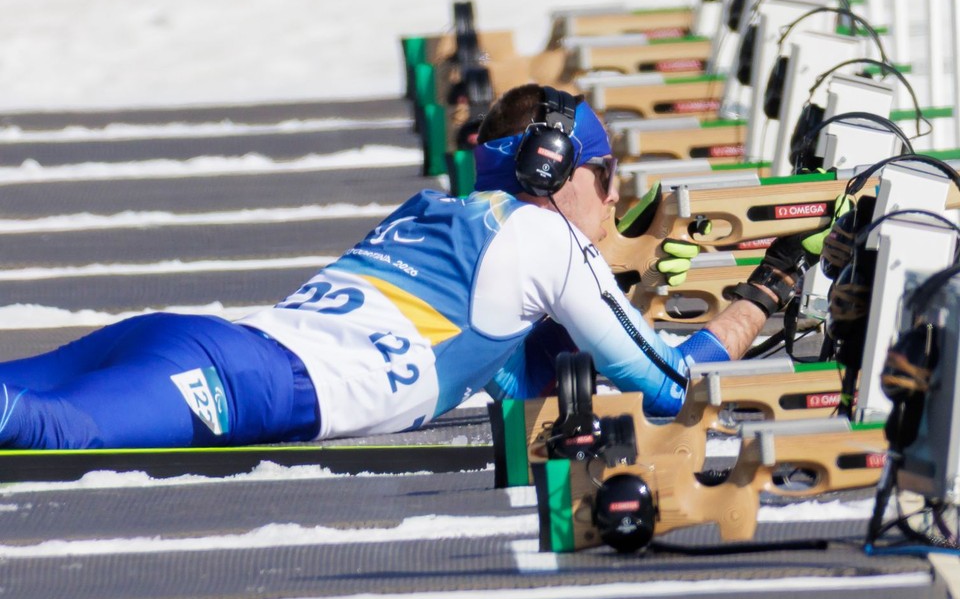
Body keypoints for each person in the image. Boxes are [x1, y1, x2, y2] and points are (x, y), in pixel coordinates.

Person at [0, 84, 807, 449]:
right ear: (560, 171)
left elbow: (527, 382)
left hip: (201, 343)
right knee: (46, 436)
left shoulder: (428, 214)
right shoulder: (546, 240)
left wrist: (622, 293)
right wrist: (761, 300)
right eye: (609, 178)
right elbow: (670, 387)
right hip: (251, 383)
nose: (616, 199)